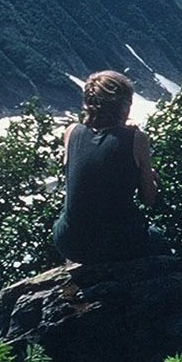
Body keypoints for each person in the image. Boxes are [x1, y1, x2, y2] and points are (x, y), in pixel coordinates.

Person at [53, 70, 162, 264]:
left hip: (69, 240)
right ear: (124, 106)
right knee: (158, 237)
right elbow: (148, 199)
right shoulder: (136, 139)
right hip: (117, 243)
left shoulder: (71, 132)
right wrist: (148, 177)